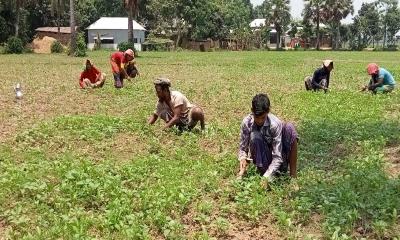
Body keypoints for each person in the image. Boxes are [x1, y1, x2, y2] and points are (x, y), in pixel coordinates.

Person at [237, 93, 298, 184]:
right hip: (262, 162)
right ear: (252, 111)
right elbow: (243, 148)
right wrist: (243, 158)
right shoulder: (247, 122)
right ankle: (262, 172)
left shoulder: (274, 124)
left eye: (263, 117)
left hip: (279, 162)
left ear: (268, 111)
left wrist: (267, 177)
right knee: (255, 136)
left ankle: (293, 178)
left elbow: (277, 156)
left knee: (289, 128)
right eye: (256, 117)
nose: (259, 121)